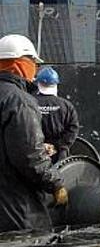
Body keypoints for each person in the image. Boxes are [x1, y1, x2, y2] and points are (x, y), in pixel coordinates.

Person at [0, 34, 67, 231]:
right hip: (14, 205)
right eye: (32, 63)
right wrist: (55, 184)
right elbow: (29, 155)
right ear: (20, 63)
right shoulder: (19, 101)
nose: (35, 69)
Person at [34, 66, 80, 164]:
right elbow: (73, 129)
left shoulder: (28, 103)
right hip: (59, 156)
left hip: (34, 154)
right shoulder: (67, 105)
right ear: (56, 84)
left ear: (38, 83)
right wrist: (57, 146)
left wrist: (39, 146)